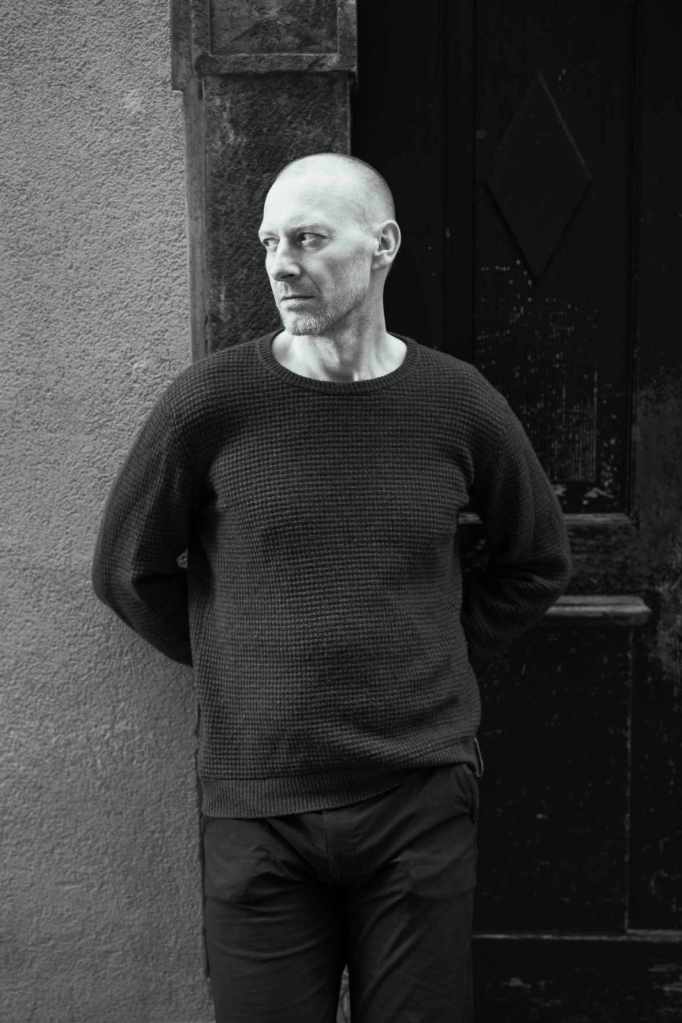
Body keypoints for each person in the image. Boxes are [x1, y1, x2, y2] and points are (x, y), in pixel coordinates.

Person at [92, 152, 572, 1023]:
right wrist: (237, 660)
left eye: (309, 239)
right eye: (270, 241)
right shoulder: (211, 402)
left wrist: (434, 647)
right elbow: (129, 570)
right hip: (259, 804)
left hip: (418, 795)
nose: (281, 263)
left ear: (382, 244)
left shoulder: (458, 402)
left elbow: (535, 558)